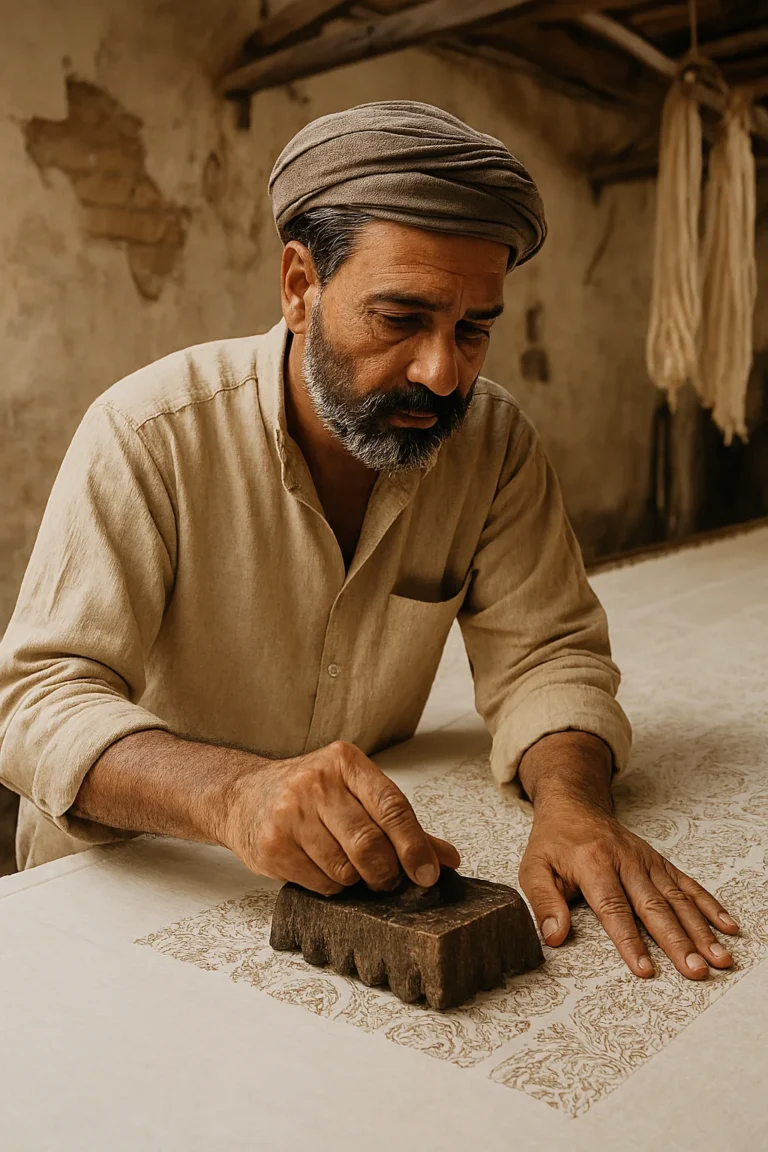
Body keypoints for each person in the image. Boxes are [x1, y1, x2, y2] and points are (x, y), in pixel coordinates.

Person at [0, 101, 737, 981]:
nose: (442, 371)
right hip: (129, 892)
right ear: (300, 285)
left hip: (352, 892)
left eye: (474, 329)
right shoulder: (149, 433)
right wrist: (236, 795)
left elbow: (549, 655)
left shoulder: (492, 444)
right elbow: (36, 701)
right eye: (400, 318)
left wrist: (573, 803)